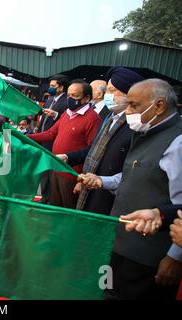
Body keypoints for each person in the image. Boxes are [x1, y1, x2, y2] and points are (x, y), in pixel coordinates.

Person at [79, 79, 182, 300]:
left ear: (159, 106)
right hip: (117, 242)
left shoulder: (177, 144)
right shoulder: (146, 132)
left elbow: (181, 208)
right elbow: (133, 175)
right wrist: (101, 181)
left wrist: (175, 257)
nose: (127, 111)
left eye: (133, 105)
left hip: (145, 258)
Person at [57, 67, 143, 215]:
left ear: (129, 94)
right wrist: (68, 157)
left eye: (112, 91)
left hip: (109, 194)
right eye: (107, 91)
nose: (107, 95)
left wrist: (103, 181)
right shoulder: (109, 118)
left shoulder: (136, 124)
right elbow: (92, 149)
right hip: (91, 185)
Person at [28, 80, 101, 209]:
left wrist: (81, 180)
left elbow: (92, 152)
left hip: (72, 175)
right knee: (55, 207)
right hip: (57, 169)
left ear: (87, 98)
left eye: (75, 96)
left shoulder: (92, 119)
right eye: (68, 95)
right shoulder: (67, 113)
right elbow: (50, 133)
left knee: (68, 209)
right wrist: (26, 137)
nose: (70, 99)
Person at [35, 74, 69, 204]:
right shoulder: (50, 100)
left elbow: (66, 120)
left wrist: (56, 115)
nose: (50, 88)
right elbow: (43, 120)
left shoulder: (66, 101)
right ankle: (45, 197)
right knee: (43, 171)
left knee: (52, 173)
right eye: (50, 85)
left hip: (53, 142)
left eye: (53, 86)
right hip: (43, 141)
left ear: (61, 87)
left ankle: (52, 200)